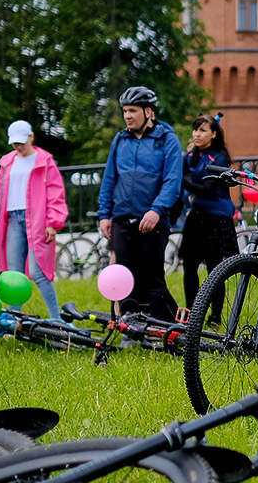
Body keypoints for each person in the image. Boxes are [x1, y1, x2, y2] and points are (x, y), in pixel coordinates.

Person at [98, 86, 183, 320]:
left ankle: (168, 327)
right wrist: (104, 214)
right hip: (122, 218)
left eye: (133, 110)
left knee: (151, 277)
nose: (127, 115)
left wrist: (157, 210)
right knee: (125, 277)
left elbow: (173, 181)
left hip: (153, 220)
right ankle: (130, 327)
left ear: (149, 112)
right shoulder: (120, 140)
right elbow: (109, 178)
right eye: (125, 110)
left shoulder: (168, 140)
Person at [0, 120, 68, 318]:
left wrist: (52, 222)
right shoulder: (6, 162)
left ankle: (56, 318)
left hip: (37, 221)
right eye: (14, 143)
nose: (18, 146)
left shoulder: (45, 161)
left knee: (38, 271)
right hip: (13, 220)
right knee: (14, 276)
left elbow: (55, 193)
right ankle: (14, 320)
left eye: (21, 141)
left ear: (31, 137)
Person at [181, 113, 239, 309]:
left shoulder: (220, 158)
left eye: (202, 130)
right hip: (197, 214)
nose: (197, 134)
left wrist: (180, 181)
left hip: (217, 217)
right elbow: (177, 169)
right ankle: (191, 310)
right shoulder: (190, 156)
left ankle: (215, 314)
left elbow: (207, 189)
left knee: (214, 268)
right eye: (195, 129)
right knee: (189, 265)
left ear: (214, 134)